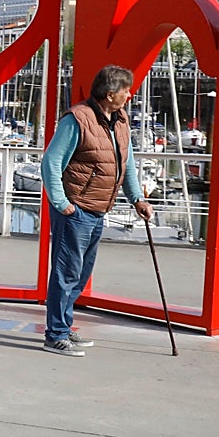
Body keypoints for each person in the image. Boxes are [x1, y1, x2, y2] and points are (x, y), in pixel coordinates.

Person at [40, 64, 152, 356]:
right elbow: (51, 162)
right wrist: (62, 204)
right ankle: (55, 335)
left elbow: (126, 163)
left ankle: (63, 326)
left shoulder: (120, 121)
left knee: (80, 273)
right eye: (126, 90)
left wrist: (137, 198)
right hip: (76, 209)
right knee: (66, 272)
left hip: (98, 208)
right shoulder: (78, 119)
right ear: (110, 94)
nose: (130, 95)